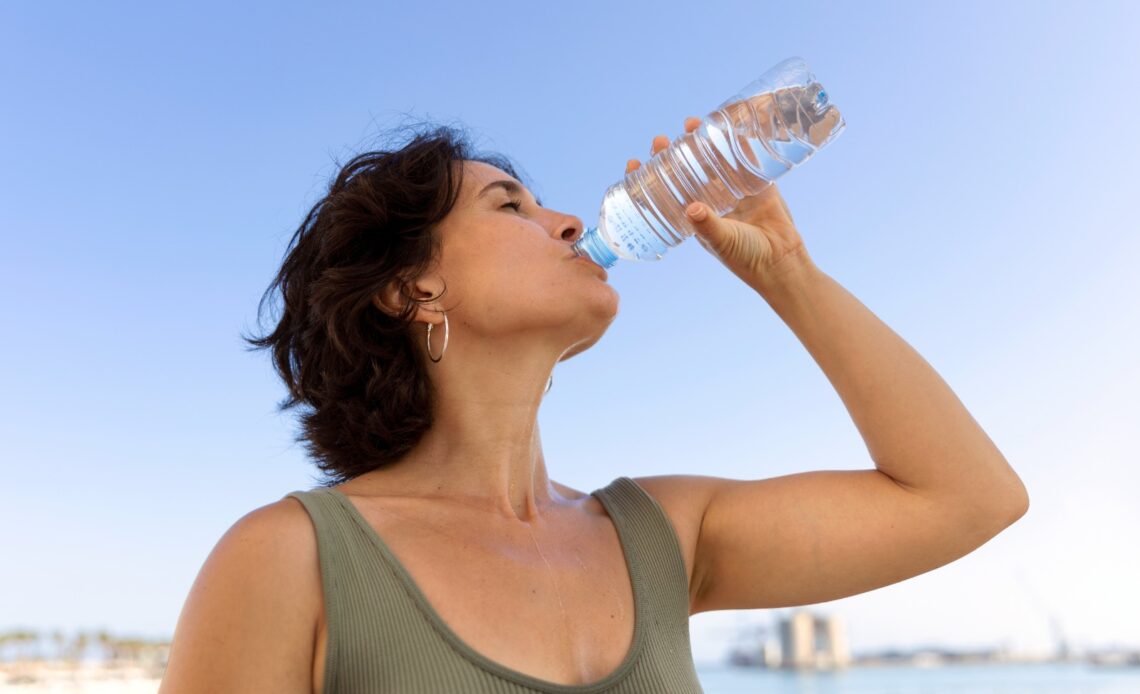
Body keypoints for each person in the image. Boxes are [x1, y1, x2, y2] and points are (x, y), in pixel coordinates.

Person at [158, 118, 1029, 693]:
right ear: (412, 288)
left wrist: (787, 273)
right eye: (512, 206)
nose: (570, 221)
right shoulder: (289, 560)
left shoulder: (662, 534)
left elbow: (969, 498)